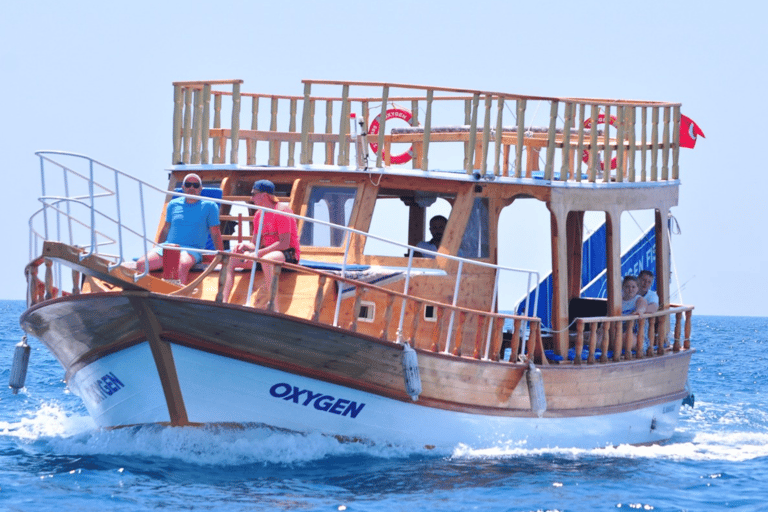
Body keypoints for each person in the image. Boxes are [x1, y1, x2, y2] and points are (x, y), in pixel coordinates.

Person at [222, 180, 300, 310]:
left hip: (288, 254)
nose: (251, 198)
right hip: (265, 254)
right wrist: (245, 246)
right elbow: (255, 244)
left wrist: (258, 253)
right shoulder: (259, 214)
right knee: (232, 259)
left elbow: (284, 243)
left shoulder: (282, 211)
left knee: (266, 259)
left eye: (253, 194)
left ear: (264, 196)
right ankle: (223, 302)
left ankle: (274, 306)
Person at [135, 173, 223, 284]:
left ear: (200, 189)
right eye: (188, 184)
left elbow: (215, 232)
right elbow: (166, 229)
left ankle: (177, 295)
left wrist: (222, 255)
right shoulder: (173, 204)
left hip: (191, 249)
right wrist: (157, 247)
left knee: (181, 264)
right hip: (167, 247)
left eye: (195, 185)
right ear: (183, 188)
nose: (192, 188)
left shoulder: (210, 206)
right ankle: (150, 292)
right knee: (141, 264)